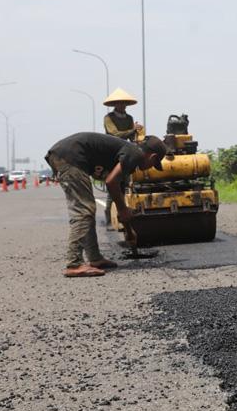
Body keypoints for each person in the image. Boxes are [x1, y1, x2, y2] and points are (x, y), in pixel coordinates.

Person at [45, 133, 167, 277]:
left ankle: (95, 258)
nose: (150, 168)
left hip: (64, 154)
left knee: (87, 209)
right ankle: (74, 263)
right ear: (152, 157)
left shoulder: (127, 157)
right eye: (154, 164)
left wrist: (129, 230)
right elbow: (111, 182)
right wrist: (123, 209)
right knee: (84, 210)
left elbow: (119, 196)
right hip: (69, 156)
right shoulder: (135, 154)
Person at [102, 88, 145, 225]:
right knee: (113, 184)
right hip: (111, 152)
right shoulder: (108, 118)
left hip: (125, 152)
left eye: (124, 103)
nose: (122, 105)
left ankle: (126, 213)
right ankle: (109, 216)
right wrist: (132, 130)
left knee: (126, 185)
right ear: (115, 104)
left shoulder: (129, 118)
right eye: (119, 103)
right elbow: (114, 134)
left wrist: (137, 132)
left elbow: (131, 137)